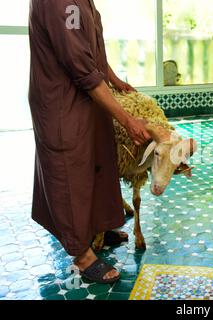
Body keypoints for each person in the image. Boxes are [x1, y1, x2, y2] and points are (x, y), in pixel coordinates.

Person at [28, 0, 152, 283]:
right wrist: (127, 120)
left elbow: (92, 50)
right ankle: (82, 254)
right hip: (63, 101)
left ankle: (97, 227)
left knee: (97, 161)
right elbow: (80, 64)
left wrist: (115, 80)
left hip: (87, 98)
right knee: (69, 172)